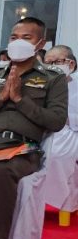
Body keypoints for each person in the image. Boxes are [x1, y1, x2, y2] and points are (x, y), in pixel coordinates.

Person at [0, 17, 68, 239]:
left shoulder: (53, 78)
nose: (18, 43)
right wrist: (1, 99)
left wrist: (19, 99)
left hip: (22, 149)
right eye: (14, 38)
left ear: (41, 43)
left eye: (26, 38)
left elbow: (56, 121)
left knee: (2, 169)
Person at [42, 45, 78, 214]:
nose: (51, 66)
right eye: (48, 63)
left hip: (71, 132)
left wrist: (65, 118)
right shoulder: (41, 85)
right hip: (45, 131)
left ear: (71, 64)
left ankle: (66, 205)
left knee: (59, 155)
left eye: (56, 62)